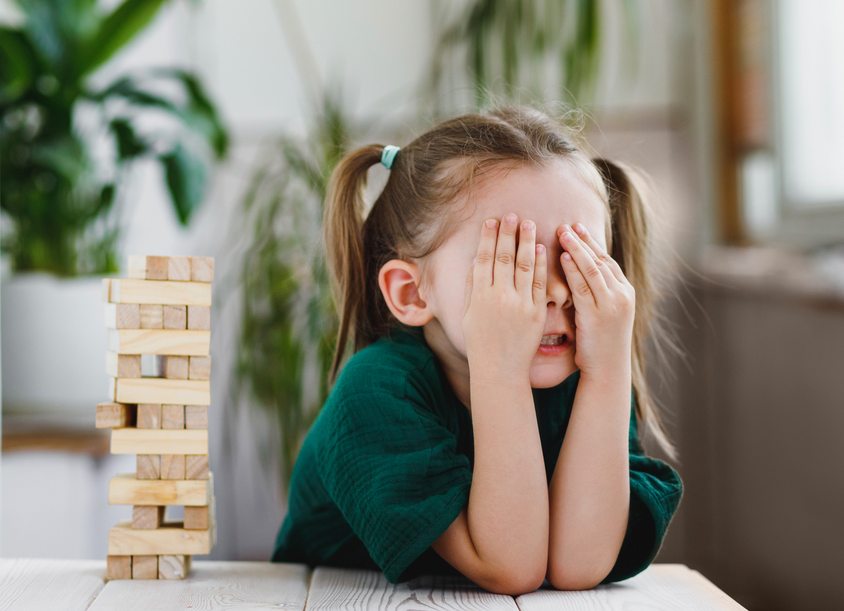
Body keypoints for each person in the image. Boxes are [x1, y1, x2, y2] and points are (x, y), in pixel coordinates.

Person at [270, 105, 683, 594]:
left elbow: (580, 566)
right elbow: (510, 567)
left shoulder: (587, 377)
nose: (559, 290)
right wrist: (501, 370)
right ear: (412, 292)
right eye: (512, 262)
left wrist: (608, 372)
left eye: (578, 259)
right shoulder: (374, 392)